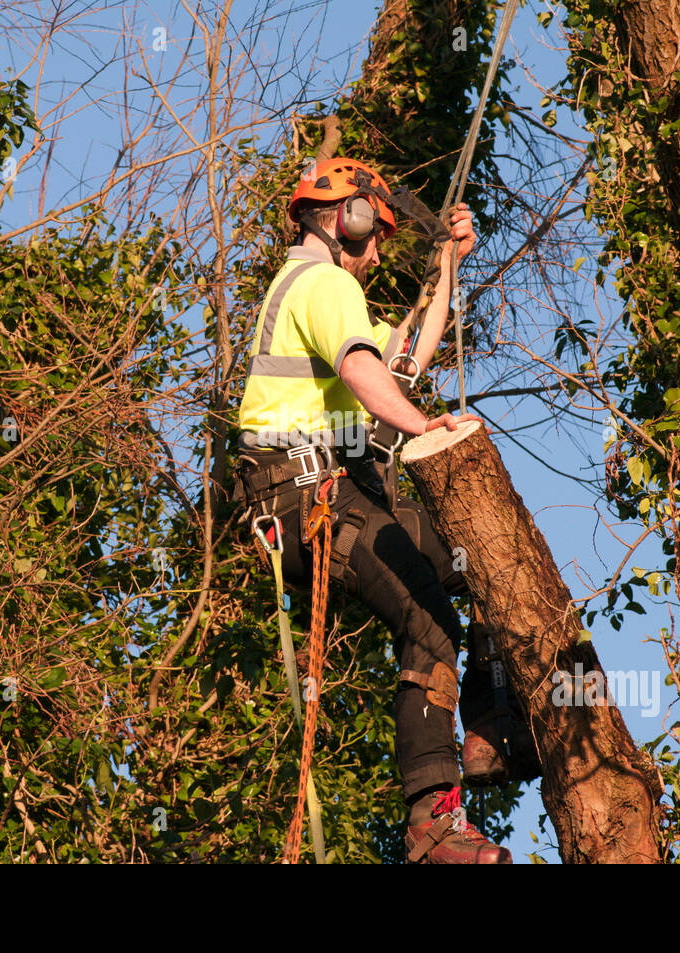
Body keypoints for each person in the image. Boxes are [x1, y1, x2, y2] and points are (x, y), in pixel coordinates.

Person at [233, 157, 539, 864]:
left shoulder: (315, 289)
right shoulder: (322, 281)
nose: (375, 254)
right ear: (349, 218)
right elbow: (366, 373)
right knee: (427, 613)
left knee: (483, 553)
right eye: (375, 236)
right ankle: (431, 824)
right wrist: (421, 426)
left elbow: (401, 356)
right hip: (308, 495)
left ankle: (489, 724)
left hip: (323, 492)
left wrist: (448, 264)